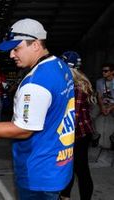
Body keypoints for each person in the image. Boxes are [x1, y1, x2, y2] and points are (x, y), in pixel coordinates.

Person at [0, 18, 75, 200]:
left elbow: (23, 130)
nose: (12, 55)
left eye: (17, 48)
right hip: (60, 163)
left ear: (36, 44)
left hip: (38, 172)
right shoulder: (60, 65)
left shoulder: (36, 81)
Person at [60, 51, 94, 200]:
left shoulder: (78, 86)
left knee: (81, 169)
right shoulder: (68, 82)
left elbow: (75, 114)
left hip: (79, 133)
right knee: (68, 167)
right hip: (71, 132)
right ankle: (65, 196)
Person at [95, 63, 114, 149]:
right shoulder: (99, 82)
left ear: (112, 72)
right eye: (103, 71)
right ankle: (95, 136)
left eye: (106, 71)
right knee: (89, 115)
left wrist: (110, 108)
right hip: (102, 103)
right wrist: (102, 107)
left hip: (113, 104)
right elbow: (99, 96)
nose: (103, 73)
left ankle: (113, 137)